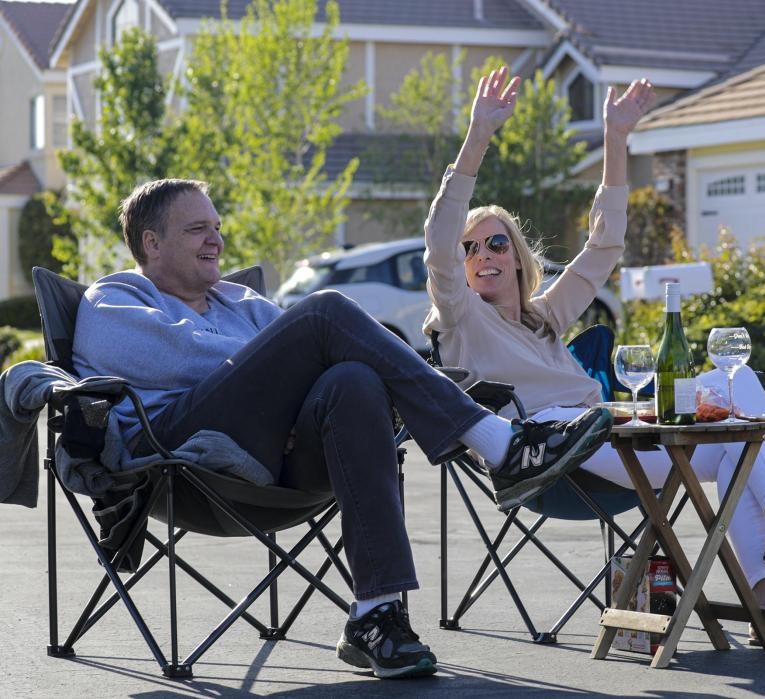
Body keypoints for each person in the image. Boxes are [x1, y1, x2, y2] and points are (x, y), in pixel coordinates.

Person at [72, 178, 614, 679]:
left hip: (275, 463)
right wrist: (286, 359)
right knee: (323, 314)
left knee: (353, 379)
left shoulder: (240, 302)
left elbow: (300, 356)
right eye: (198, 229)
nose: (215, 239)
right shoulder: (115, 298)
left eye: (217, 227)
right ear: (151, 243)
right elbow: (186, 360)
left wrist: (291, 367)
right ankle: (498, 443)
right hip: (182, 454)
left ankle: (375, 616)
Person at [422, 66, 765, 650]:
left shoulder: (544, 316)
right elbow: (438, 240)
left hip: (613, 435)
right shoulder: (458, 316)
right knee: (733, 430)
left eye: (497, 242)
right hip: (554, 454)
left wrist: (616, 139)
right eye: (470, 247)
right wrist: (478, 135)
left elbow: (604, 247)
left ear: (517, 256)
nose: (482, 254)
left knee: (738, 394)